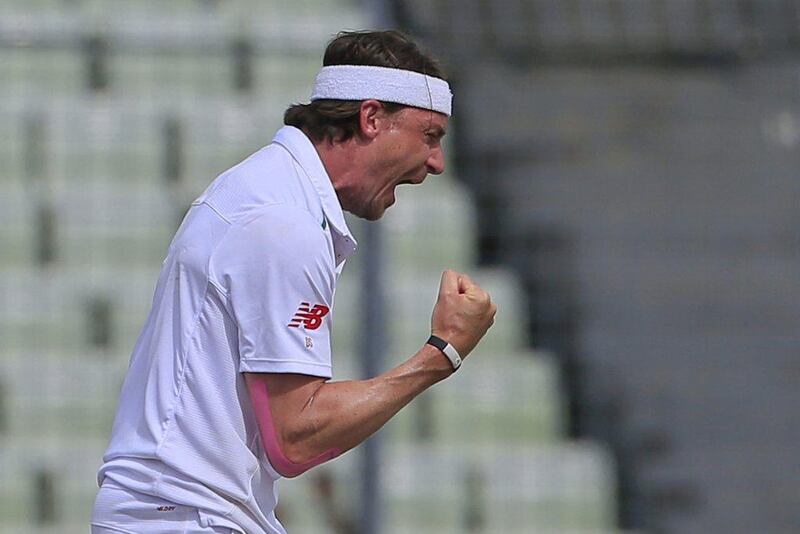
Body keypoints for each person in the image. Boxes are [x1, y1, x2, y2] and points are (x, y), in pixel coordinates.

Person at [91, 30, 497, 534]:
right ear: (371, 119)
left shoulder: (271, 192)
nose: (436, 163)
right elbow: (295, 440)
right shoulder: (284, 220)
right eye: (430, 136)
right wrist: (442, 353)